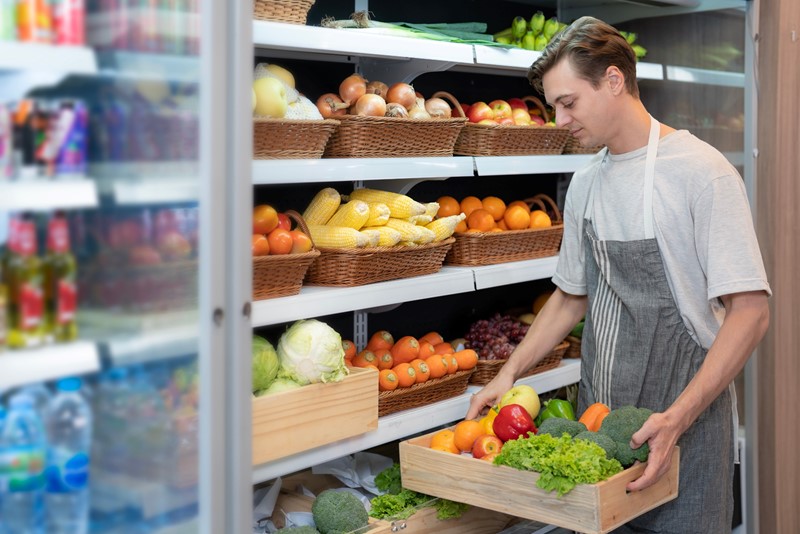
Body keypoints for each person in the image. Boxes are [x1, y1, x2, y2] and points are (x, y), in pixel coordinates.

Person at [466, 16, 770, 533]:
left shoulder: (702, 173)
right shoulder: (585, 185)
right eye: (552, 105)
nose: (559, 119)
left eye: (568, 102)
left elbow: (752, 313)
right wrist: (507, 374)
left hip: (687, 433)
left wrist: (678, 417)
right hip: (598, 435)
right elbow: (569, 298)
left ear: (612, 81)